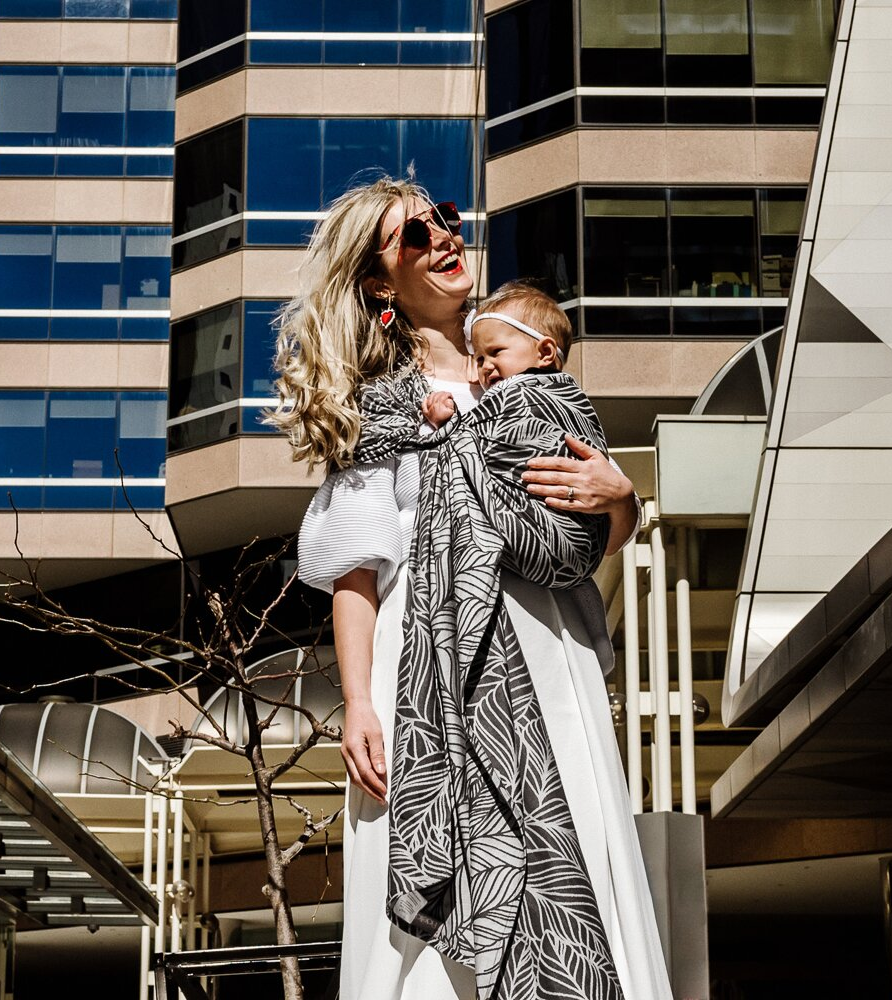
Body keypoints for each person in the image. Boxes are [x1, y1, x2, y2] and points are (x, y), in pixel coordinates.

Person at [271, 177, 673, 1000]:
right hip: (425, 675)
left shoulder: (529, 363)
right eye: (415, 236)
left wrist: (621, 501)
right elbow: (356, 570)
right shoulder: (378, 406)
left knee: (578, 852)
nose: (444, 237)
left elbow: (576, 540)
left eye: (443, 219)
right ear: (379, 282)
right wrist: (357, 703)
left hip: (549, 656)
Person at [422, 280, 570, 428]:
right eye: (480, 359)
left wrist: (445, 424)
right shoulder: (570, 399)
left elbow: (480, 440)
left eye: (496, 351)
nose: (486, 366)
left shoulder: (518, 401)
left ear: (545, 352)